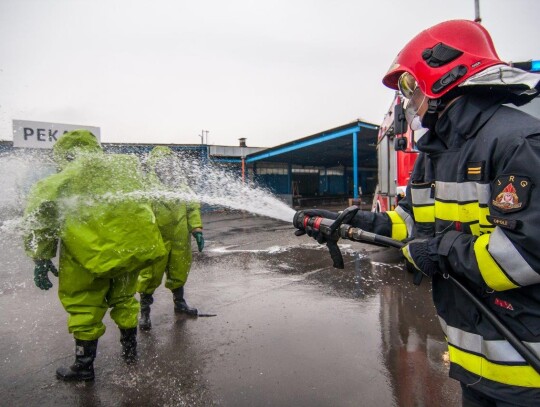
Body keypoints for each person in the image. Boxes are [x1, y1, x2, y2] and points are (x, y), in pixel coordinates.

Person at [298, 20, 540, 406]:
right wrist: (352, 222)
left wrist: (441, 251)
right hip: (477, 369)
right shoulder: (437, 154)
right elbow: (410, 222)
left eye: (410, 87)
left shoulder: (517, 142)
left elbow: (525, 256)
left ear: (446, 73)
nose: (409, 100)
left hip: (526, 373)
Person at [23, 130, 167, 381]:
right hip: (128, 253)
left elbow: (41, 219)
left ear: (65, 154)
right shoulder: (126, 172)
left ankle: (84, 366)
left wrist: (41, 257)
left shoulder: (61, 180)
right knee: (124, 299)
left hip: (86, 256)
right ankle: (130, 353)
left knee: (84, 303)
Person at [137, 146, 204, 330]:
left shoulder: (182, 187)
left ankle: (180, 303)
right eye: (162, 164)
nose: (166, 167)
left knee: (179, 270)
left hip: (179, 238)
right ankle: (144, 312)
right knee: (149, 275)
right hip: (155, 239)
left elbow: (192, 208)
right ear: (154, 166)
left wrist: (196, 228)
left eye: (169, 164)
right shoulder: (146, 187)